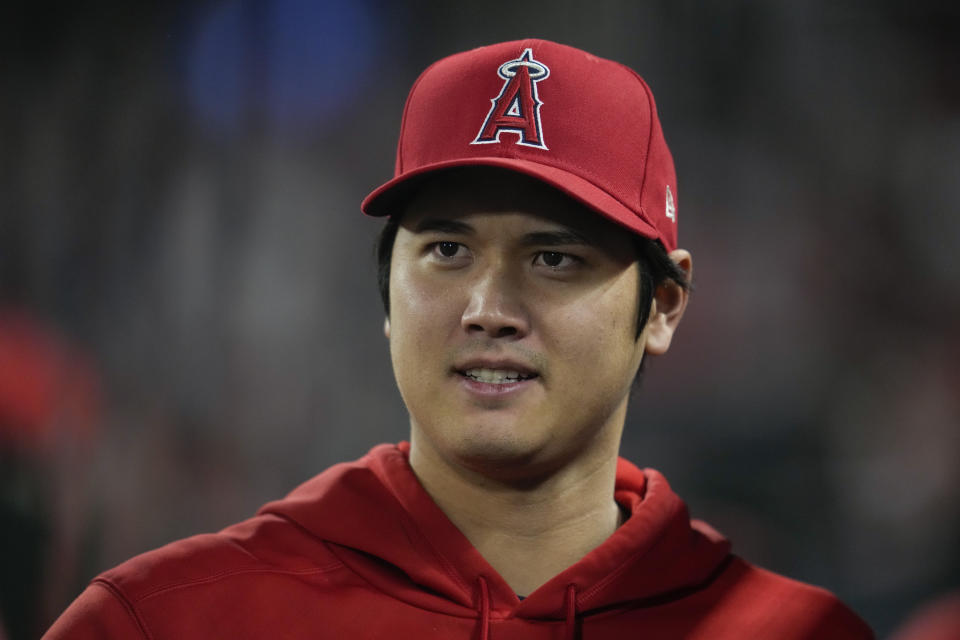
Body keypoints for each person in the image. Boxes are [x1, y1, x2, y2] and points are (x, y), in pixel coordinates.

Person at [45, 38, 873, 639]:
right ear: (387, 293)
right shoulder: (170, 620)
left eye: (553, 257)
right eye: (446, 250)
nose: (488, 307)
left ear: (662, 305)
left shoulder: (790, 632)